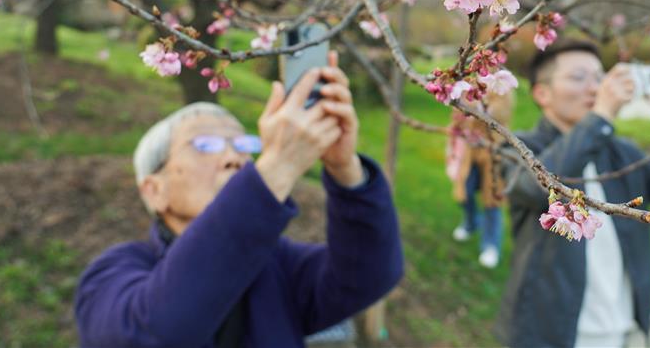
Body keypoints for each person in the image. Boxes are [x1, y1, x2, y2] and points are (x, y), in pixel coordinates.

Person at [74, 53, 403, 348]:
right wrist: (278, 167)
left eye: (243, 144)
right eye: (205, 144)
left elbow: (369, 275)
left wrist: (345, 169)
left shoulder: (277, 265)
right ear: (153, 190)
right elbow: (160, 331)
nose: (234, 157)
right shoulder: (109, 277)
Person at [496, 40, 650, 348]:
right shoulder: (520, 148)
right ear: (542, 93)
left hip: (619, 329)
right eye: (578, 77)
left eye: (599, 77)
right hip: (547, 332)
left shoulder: (622, 154)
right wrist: (600, 115)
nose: (595, 88)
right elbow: (535, 187)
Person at [445, 89, 513, 268]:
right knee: (463, 192)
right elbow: (457, 115)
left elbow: (502, 112)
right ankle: (471, 221)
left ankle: (490, 245)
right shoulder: (469, 82)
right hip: (469, 150)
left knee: (492, 199)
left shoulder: (502, 87)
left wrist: (478, 106)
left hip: (493, 151)